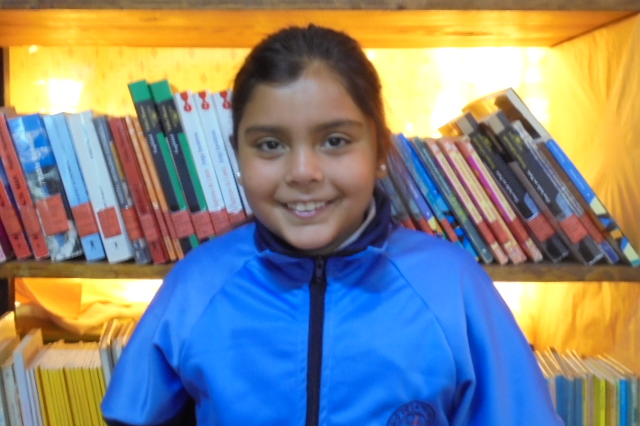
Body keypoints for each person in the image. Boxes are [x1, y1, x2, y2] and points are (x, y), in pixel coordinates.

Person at [101, 24, 563, 426]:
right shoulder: (197, 284)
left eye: (335, 140)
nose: (303, 172)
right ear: (237, 156)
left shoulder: (453, 285)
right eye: (270, 145)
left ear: (379, 150)